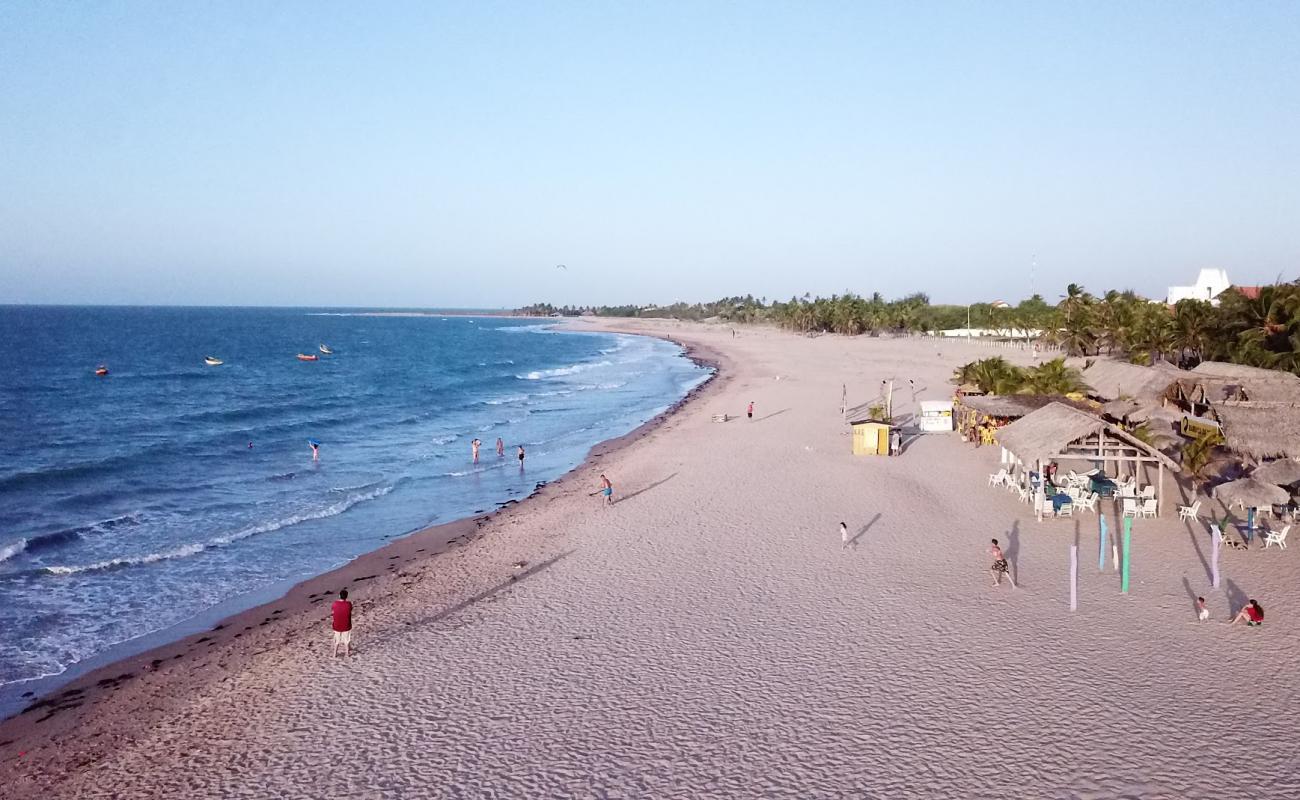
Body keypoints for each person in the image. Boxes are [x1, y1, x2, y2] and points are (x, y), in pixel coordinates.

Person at [331, 589, 353, 657]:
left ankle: (335, 654)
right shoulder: (349, 604)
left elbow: (332, 611)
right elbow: (350, 610)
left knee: (337, 640)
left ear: (339, 596)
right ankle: (347, 653)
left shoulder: (335, 603)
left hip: (337, 625)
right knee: (346, 640)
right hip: (346, 625)